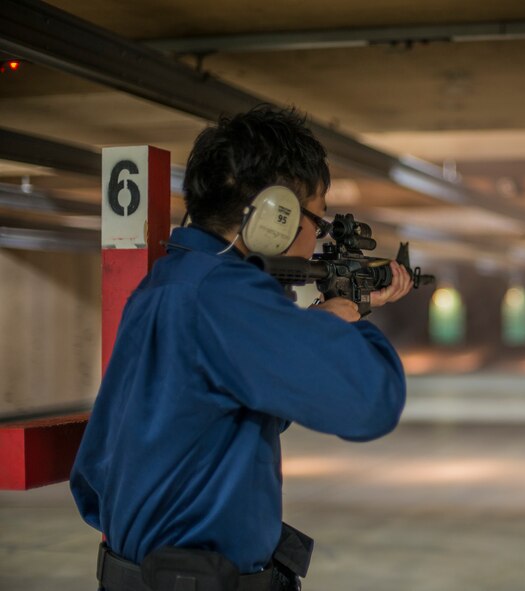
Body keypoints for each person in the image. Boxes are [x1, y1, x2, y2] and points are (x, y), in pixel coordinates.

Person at [70, 105, 413, 590]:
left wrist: (316, 323)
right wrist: (350, 315)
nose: (315, 239)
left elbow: (231, 403)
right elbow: (370, 401)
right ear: (279, 216)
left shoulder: (169, 283)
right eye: (315, 217)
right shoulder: (226, 295)